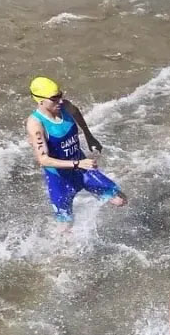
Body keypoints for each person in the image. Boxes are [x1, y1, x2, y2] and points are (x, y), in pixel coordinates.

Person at [24, 77, 127, 225]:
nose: (60, 101)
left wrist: (89, 136)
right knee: (66, 225)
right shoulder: (36, 124)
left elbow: (76, 112)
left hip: (82, 169)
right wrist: (78, 163)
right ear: (40, 101)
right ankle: (62, 247)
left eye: (60, 95)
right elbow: (43, 160)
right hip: (60, 178)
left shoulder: (64, 106)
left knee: (119, 200)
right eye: (54, 98)